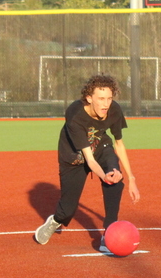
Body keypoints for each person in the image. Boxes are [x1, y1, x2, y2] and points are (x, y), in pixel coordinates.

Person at [35, 74, 140, 250]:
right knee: (67, 210)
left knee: (115, 177)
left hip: (101, 146)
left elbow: (119, 145)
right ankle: (55, 221)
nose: (106, 104)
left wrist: (131, 179)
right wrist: (103, 175)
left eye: (109, 98)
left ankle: (109, 232)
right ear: (89, 98)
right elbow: (89, 160)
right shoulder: (75, 115)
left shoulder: (114, 110)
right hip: (74, 156)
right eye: (101, 99)